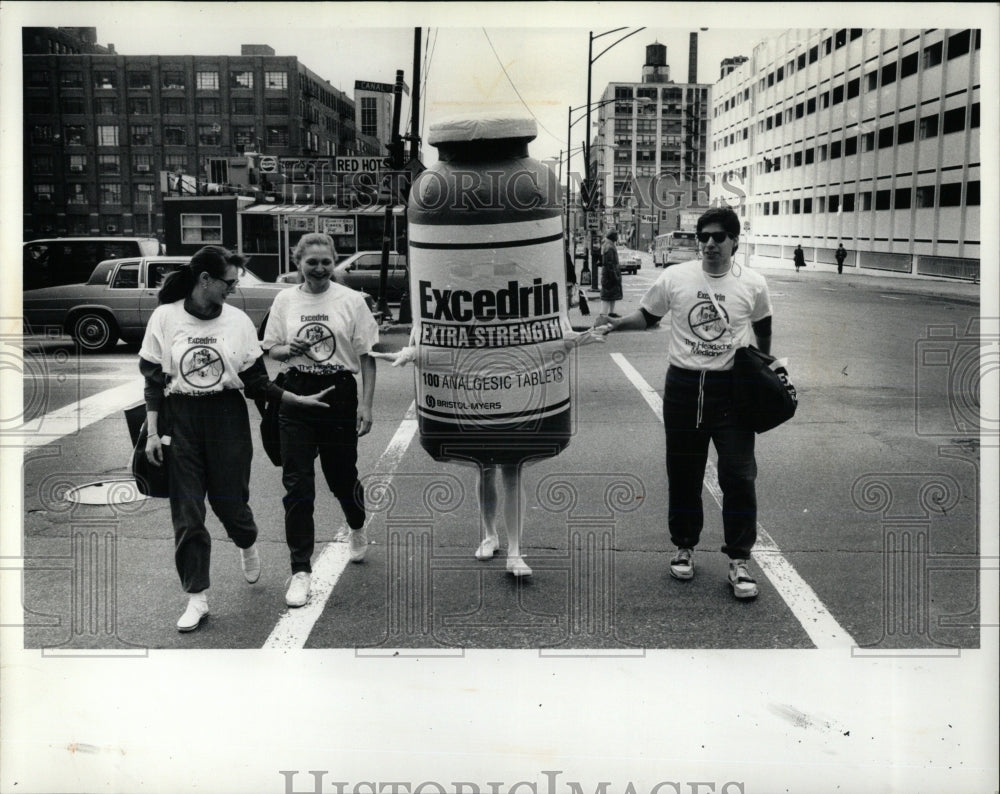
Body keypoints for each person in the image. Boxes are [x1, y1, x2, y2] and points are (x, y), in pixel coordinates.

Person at [139, 246, 334, 632]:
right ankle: (196, 597)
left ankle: (246, 540)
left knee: (231, 506)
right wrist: (152, 431)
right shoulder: (165, 317)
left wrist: (291, 399)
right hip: (181, 419)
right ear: (204, 280)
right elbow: (153, 378)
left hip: (226, 417)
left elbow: (256, 381)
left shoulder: (239, 322)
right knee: (188, 514)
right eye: (229, 282)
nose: (233, 288)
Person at [596, 207, 775, 600]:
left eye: (719, 237)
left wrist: (765, 365)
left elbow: (763, 323)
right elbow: (648, 316)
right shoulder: (676, 277)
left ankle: (740, 559)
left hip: (733, 390)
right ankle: (684, 546)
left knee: (739, 475)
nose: (710, 243)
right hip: (683, 387)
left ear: (734, 241)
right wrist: (614, 325)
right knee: (684, 472)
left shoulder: (753, 284)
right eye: (704, 236)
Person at [372, 328, 609, 577]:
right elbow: (436, 342)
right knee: (484, 468)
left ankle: (515, 552)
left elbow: (547, 336)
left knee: (512, 469)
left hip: (515, 398)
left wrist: (580, 338)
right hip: (474, 399)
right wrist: (410, 352)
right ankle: (489, 535)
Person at [263, 232, 379, 608]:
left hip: (338, 393)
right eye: (311, 262)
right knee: (297, 485)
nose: (318, 268)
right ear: (298, 263)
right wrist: (287, 349)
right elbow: (272, 349)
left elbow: (366, 355)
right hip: (296, 394)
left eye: (325, 261)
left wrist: (366, 404)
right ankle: (300, 570)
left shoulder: (352, 301)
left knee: (342, 476)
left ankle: (357, 526)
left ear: (335, 262)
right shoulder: (284, 299)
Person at [600, 230, 623, 317]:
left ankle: (610, 313)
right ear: (613, 237)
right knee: (607, 296)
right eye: (616, 235)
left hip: (609, 276)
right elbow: (610, 264)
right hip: (609, 277)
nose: (617, 237)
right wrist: (614, 276)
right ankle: (604, 315)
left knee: (611, 296)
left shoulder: (609, 245)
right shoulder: (609, 247)